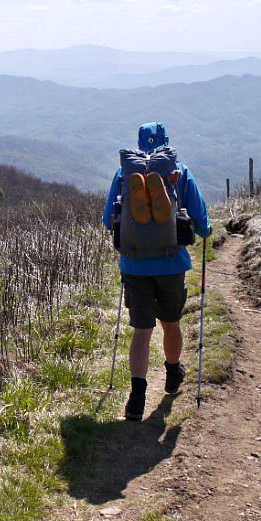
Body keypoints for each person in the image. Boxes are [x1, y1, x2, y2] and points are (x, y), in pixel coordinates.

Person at [102, 122, 211, 421]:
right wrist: (205, 230)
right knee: (171, 323)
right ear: (166, 143)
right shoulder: (179, 172)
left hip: (134, 263)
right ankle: (173, 371)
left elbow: (107, 218)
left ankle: (136, 399)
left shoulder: (124, 174)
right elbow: (201, 218)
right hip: (171, 262)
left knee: (141, 331)